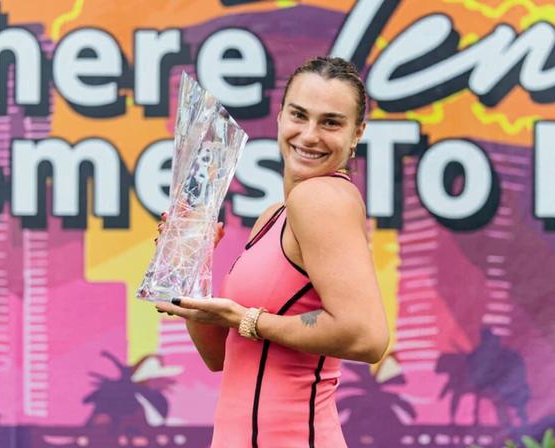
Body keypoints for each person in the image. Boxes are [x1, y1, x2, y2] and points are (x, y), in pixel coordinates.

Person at [155, 56, 389, 448]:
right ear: (280, 117)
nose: (310, 135)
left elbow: (365, 337)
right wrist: (191, 269)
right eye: (299, 115)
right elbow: (223, 358)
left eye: (331, 122)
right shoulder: (275, 215)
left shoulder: (321, 198)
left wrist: (248, 319)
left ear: (356, 133)